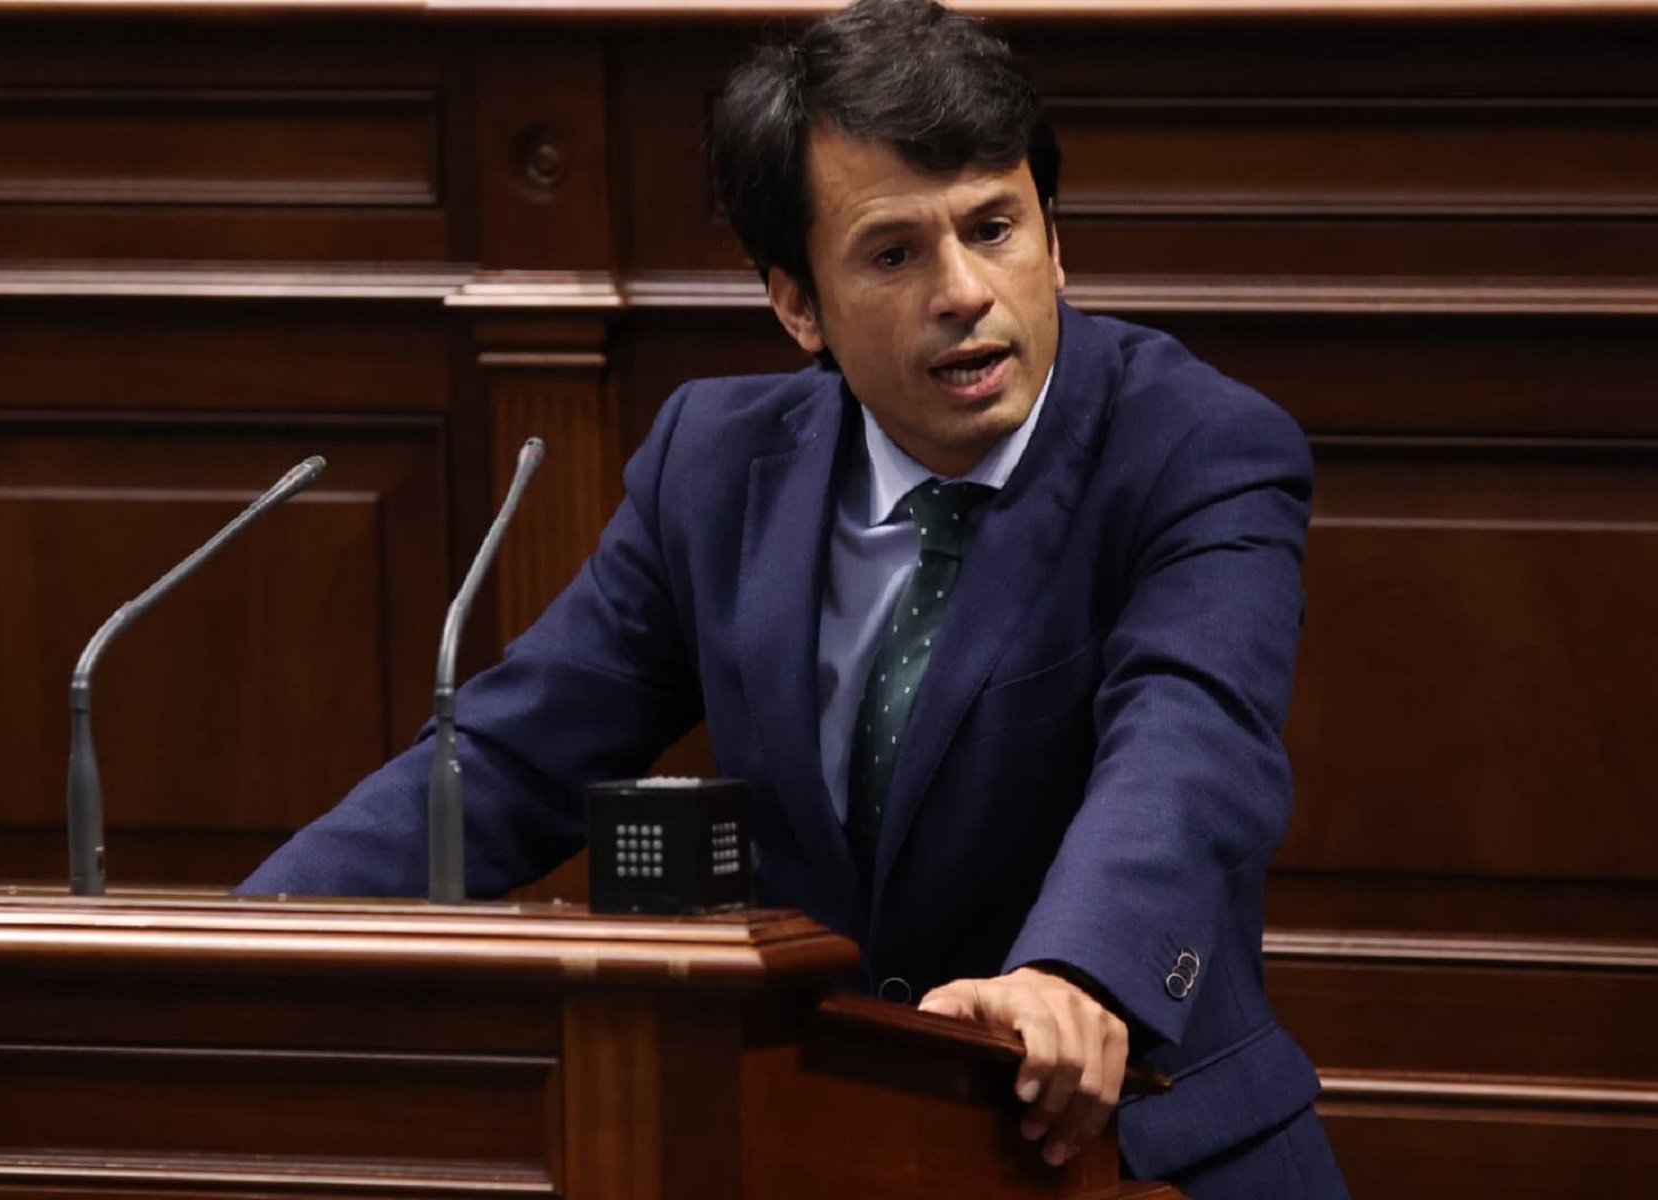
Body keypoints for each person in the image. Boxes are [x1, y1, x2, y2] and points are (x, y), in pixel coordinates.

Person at [241, 1, 1348, 1194]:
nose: (965, 290)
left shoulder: (1196, 446)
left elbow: (1191, 745)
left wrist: (1076, 975)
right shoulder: (714, 466)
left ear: (1055, 241)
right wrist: (250, 942)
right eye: (894, 254)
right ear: (797, 305)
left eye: (996, 227)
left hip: (1138, 1151)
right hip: (819, 1144)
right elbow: (511, 756)